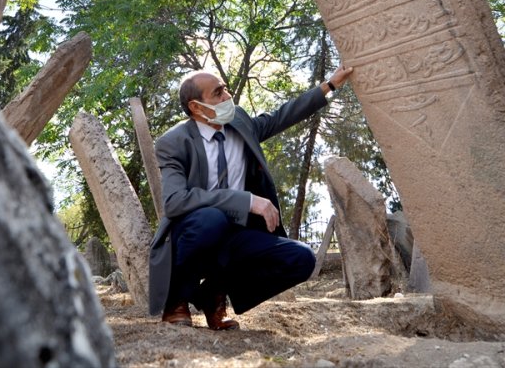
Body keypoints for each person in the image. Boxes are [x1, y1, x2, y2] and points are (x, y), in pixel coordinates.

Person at [148, 65, 354, 330]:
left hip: (237, 234)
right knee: (211, 219)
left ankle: (213, 294)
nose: (227, 96)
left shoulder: (240, 123)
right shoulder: (173, 142)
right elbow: (175, 201)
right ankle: (176, 301)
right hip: (195, 233)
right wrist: (245, 200)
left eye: (226, 89)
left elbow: (283, 115)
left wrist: (330, 85)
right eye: (218, 93)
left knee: (302, 259)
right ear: (196, 107)